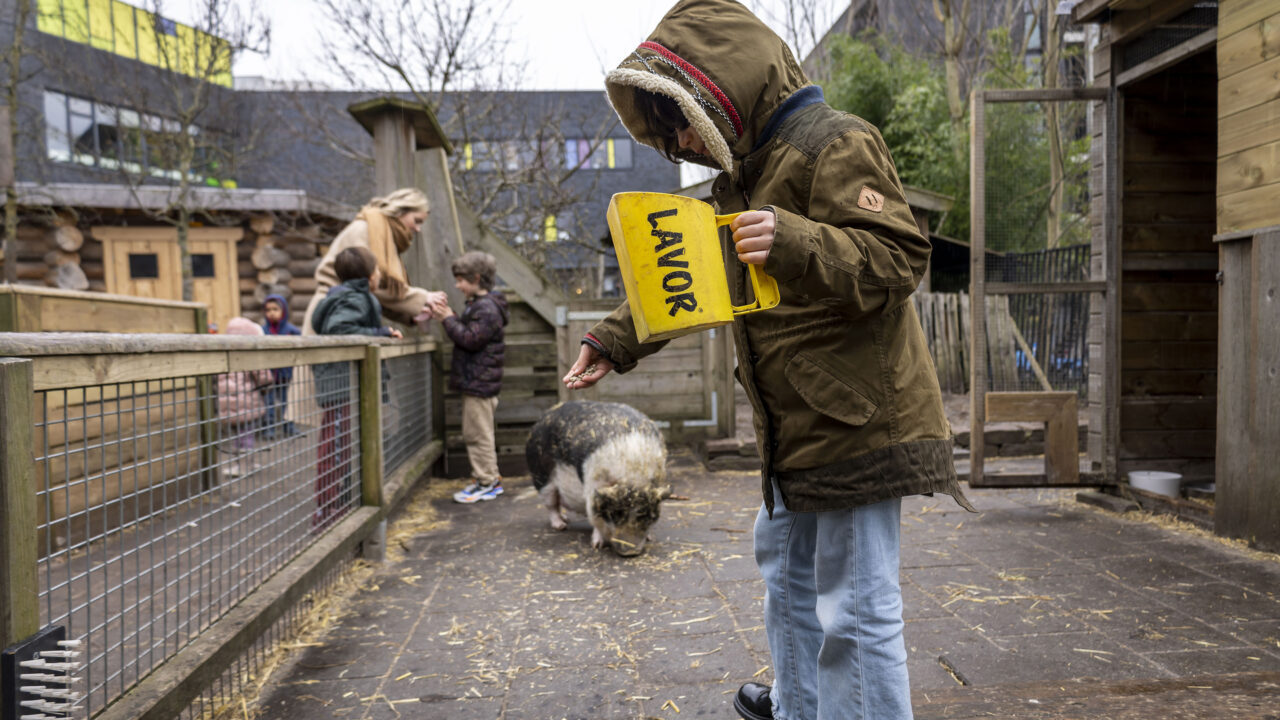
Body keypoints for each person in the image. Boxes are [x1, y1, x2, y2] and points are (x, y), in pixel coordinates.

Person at [562, 2, 975, 718]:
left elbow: (900, 259)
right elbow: (694, 276)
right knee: (785, 574)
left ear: (723, 86)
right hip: (794, 427)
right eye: (668, 133)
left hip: (859, 416)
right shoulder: (744, 175)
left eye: (681, 119)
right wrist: (612, 339)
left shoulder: (836, 142)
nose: (681, 140)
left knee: (858, 605)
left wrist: (794, 241)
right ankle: (800, 705)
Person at [310, 246, 404, 529]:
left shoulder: (348, 297)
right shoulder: (355, 298)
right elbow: (340, 330)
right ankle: (327, 510)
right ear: (368, 276)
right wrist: (380, 333)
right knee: (335, 447)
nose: (378, 275)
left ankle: (341, 504)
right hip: (343, 386)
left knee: (344, 445)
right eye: (376, 270)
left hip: (348, 385)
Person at [301, 187, 447, 336]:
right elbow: (366, 282)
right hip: (334, 313)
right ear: (400, 211)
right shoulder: (365, 230)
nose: (418, 229)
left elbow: (374, 292)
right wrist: (421, 298)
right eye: (417, 221)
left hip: (348, 314)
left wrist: (412, 314)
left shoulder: (382, 236)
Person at [427, 251, 509, 504]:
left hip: (479, 384)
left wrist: (447, 318)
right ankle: (484, 479)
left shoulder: (486, 309)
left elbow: (470, 339)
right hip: (478, 382)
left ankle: (488, 482)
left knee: (478, 434)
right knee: (476, 432)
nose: (457, 285)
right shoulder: (480, 305)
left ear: (476, 278)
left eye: (461, 279)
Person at [218, 317, 272, 477]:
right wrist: (265, 389)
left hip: (227, 405)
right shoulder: (250, 356)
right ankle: (245, 465)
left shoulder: (223, 354)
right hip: (248, 403)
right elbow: (264, 377)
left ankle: (241, 464)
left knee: (238, 436)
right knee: (247, 435)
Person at [260, 294, 300, 439]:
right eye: (268, 309)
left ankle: (289, 426)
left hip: (285, 374)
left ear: (283, 311)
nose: (271, 312)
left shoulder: (292, 331)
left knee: (287, 402)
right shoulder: (262, 331)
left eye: (275, 309)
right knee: (268, 403)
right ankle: (269, 428)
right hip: (269, 375)